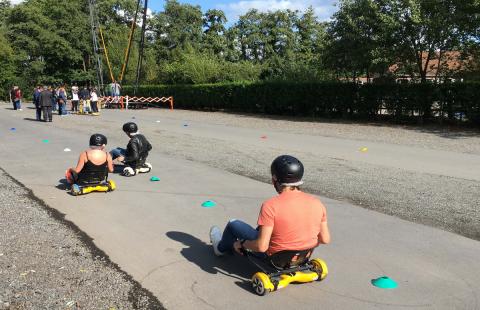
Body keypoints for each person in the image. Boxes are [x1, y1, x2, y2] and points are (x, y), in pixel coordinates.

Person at [209, 155, 331, 259]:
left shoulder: (271, 205)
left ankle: (219, 248)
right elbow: (325, 239)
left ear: (274, 179)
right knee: (264, 226)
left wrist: (242, 243)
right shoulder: (317, 203)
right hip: (303, 256)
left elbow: (261, 247)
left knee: (233, 224)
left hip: (275, 258)